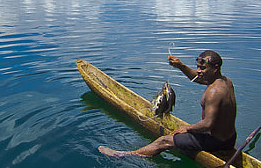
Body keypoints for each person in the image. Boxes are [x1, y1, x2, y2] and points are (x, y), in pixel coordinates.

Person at [98, 50, 237, 158]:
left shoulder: (214, 92)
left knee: (163, 141)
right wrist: (181, 66)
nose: (199, 72)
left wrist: (187, 128)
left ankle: (126, 155)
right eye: (198, 67)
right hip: (230, 139)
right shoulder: (225, 81)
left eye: (203, 68)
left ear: (215, 68)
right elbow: (197, 78)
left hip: (216, 142)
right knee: (181, 132)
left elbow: (208, 124)